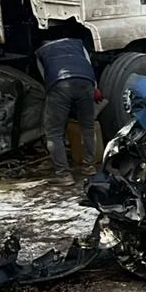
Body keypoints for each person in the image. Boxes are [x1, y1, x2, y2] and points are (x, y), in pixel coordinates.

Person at [35, 37, 101, 186]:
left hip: (60, 84)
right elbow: (88, 64)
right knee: (88, 126)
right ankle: (89, 166)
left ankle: (63, 175)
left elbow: (45, 77)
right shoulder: (78, 45)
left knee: (54, 133)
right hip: (86, 82)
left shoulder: (42, 52)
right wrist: (95, 87)